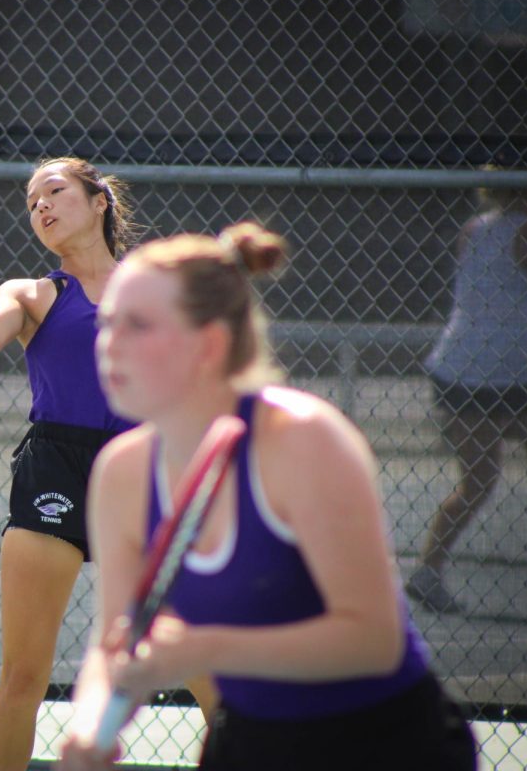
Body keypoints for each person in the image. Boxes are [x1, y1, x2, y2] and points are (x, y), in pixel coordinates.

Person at [57, 224, 477, 770]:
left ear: (209, 344)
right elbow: (113, 643)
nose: (108, 344)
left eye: (137, 325)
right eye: (107, 322)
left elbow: (373, 640)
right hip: (251, 743)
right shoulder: (122, 473)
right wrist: (90, 726)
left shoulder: (304, 440)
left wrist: (205, 649)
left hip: (386, 743)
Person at [0, 157, 217, 771]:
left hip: (142, 472)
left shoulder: (156, 284)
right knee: (23, 676)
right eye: (32, 204)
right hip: (54, 471)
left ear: (99, 201)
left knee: (201, 664)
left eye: (54, 192)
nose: (42, 208)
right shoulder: (29, 293)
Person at [408, 183, 527, 618]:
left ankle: (427, 570)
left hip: (459, 370)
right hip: (518, 377)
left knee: (477, 481)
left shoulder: (473, 229)